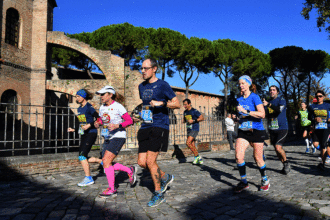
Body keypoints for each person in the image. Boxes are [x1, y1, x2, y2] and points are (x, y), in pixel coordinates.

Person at [133, 58, 180, 207]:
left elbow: (177, 103)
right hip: (145, 125)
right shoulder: (141, 86)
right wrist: (139, 115)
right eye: (142, 68)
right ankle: (164, 176)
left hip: (159, 125)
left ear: (154, 69)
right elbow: (146, 105)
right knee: (141, 162)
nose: (143, 71)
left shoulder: (162, 85)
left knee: (150, 161)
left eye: (146, 68)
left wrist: (162, 103)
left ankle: (158, 193)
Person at [94, 85, 137, 198]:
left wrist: (117, 125)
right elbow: (101, 119)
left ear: (110, 95)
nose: (101, 96)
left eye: (103, 94)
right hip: (107, 136)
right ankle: (129, 170)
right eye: (100, 95)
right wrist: (98, 123)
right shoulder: (102, 107)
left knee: (106, 161)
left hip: (118, 135)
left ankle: (112, 189)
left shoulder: (118, 107)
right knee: (105, 162)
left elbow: (129, 120)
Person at [234, 75, 269, 193]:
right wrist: (237, 117)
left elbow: (262, 114)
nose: (241, 85)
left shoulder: (255, 97)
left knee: (258, 158)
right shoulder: (238, 98)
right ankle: (244, 183)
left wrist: (246, 112)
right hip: (243, 130)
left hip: (256, 131)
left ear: (249, 84)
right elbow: (241, 115)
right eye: (239, 84)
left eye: (243, 83)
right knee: (238, 157)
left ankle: (265, 179)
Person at [67, 89, 99, 187]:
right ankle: (102, 162)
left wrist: (89, 125)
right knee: (82, 157)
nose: (76, 98)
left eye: (78, 96)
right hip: (84, 134)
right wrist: (74, 129)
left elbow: (98, 118)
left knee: (82, 156)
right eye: (76, 96)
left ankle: (88, 178)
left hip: (91, 133)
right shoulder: (79, 109)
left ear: (83, 97)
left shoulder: (89, 107)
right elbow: (82, 123)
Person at [263, 85, 290, 175]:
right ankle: (284, 165)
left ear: (277, 92)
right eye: (270, 90)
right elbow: (264, 114)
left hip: (282, 128)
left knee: (278, 147)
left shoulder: (281, 99)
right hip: (272, 129)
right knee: (276, 149)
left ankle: (286, 163)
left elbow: (279, 110)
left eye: (274, 90)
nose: (272, 91)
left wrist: (269, 105)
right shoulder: (267, 102)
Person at [308, 90, 330, 170]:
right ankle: (326, 152)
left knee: (323, 145)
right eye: (317, 96)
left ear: (323, 97)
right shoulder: (312, 107)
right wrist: (314, 118)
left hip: (326, 128)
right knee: (315, 144)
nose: (318, 98)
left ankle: (322, 164)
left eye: (320, 96)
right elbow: (309, 117)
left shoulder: (327, 105)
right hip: (316, 128)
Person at [182, 99, 205, 164]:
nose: (184, 106)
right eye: (184, 105)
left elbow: (202, 118)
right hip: (188, 129)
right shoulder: (185, 112)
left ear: (189, 104)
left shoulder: (194, 111)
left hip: (194, 129)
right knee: (192, 145)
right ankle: (198, 159)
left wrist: (194, 121)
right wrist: (184, 120)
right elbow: (184, 119)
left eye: (185, 104)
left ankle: (198, 156)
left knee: (188, 142)